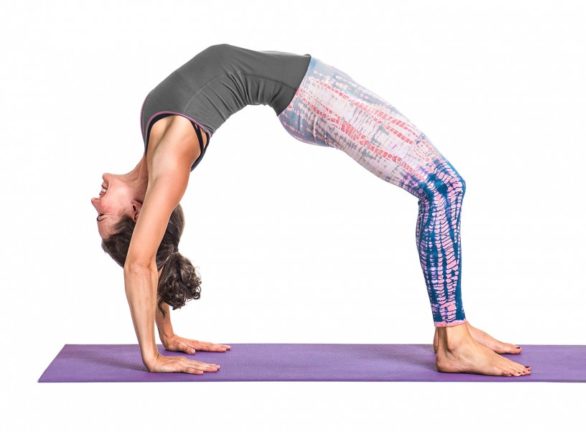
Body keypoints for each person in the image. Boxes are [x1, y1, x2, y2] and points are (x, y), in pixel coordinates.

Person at [91, 43, 531, 377]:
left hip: (312, 88)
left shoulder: (153, 129)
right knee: (443, 188)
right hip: (317, 98)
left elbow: (151, 259)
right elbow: (141, 263)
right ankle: (453, 341)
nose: (94, 200)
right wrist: (152, 354)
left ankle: (453, 329)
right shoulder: (170, 160)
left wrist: (167, 334)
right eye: (101, 215)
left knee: (444, 188)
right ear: (135, 209)